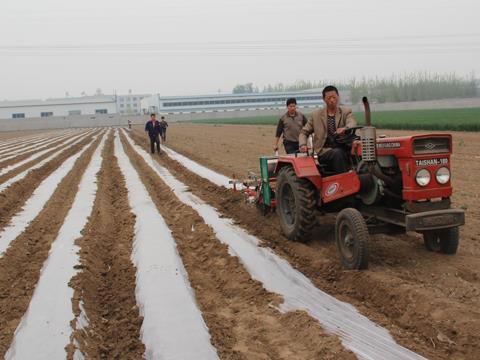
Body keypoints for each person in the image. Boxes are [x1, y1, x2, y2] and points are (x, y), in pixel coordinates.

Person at [299, 85, 357, 174]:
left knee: (358, 150)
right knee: (338, 153)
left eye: (334, 97)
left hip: (344, 147)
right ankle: (344, 179)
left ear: (338, 97)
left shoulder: (346, 112)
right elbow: (304, 132)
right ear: (324, 99)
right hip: (325, 151)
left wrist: (345, 128)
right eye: (329, 98)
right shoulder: (316, 115)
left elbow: (352, 122)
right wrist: (303, 144)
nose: (332, 100)